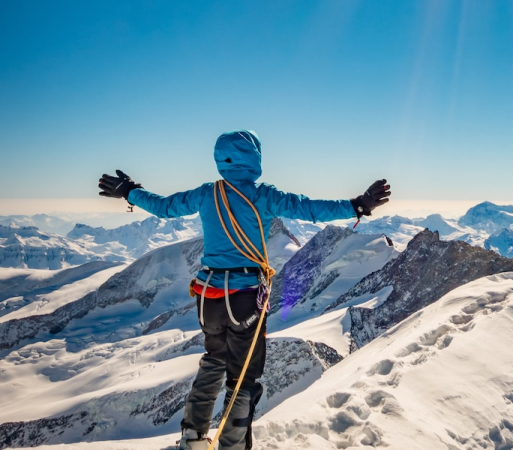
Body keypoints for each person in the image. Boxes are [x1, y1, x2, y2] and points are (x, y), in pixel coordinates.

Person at [98, 130, 390, 450]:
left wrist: (130, 191)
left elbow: (164, 206)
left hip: (208, 295)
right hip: (245, 299)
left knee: (213, 361)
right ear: (255, 158)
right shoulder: (264, 195)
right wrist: (357, 205)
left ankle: (193, 437)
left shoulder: (207, 193)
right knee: (242, 379)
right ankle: (232, 446)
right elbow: (309, 208)